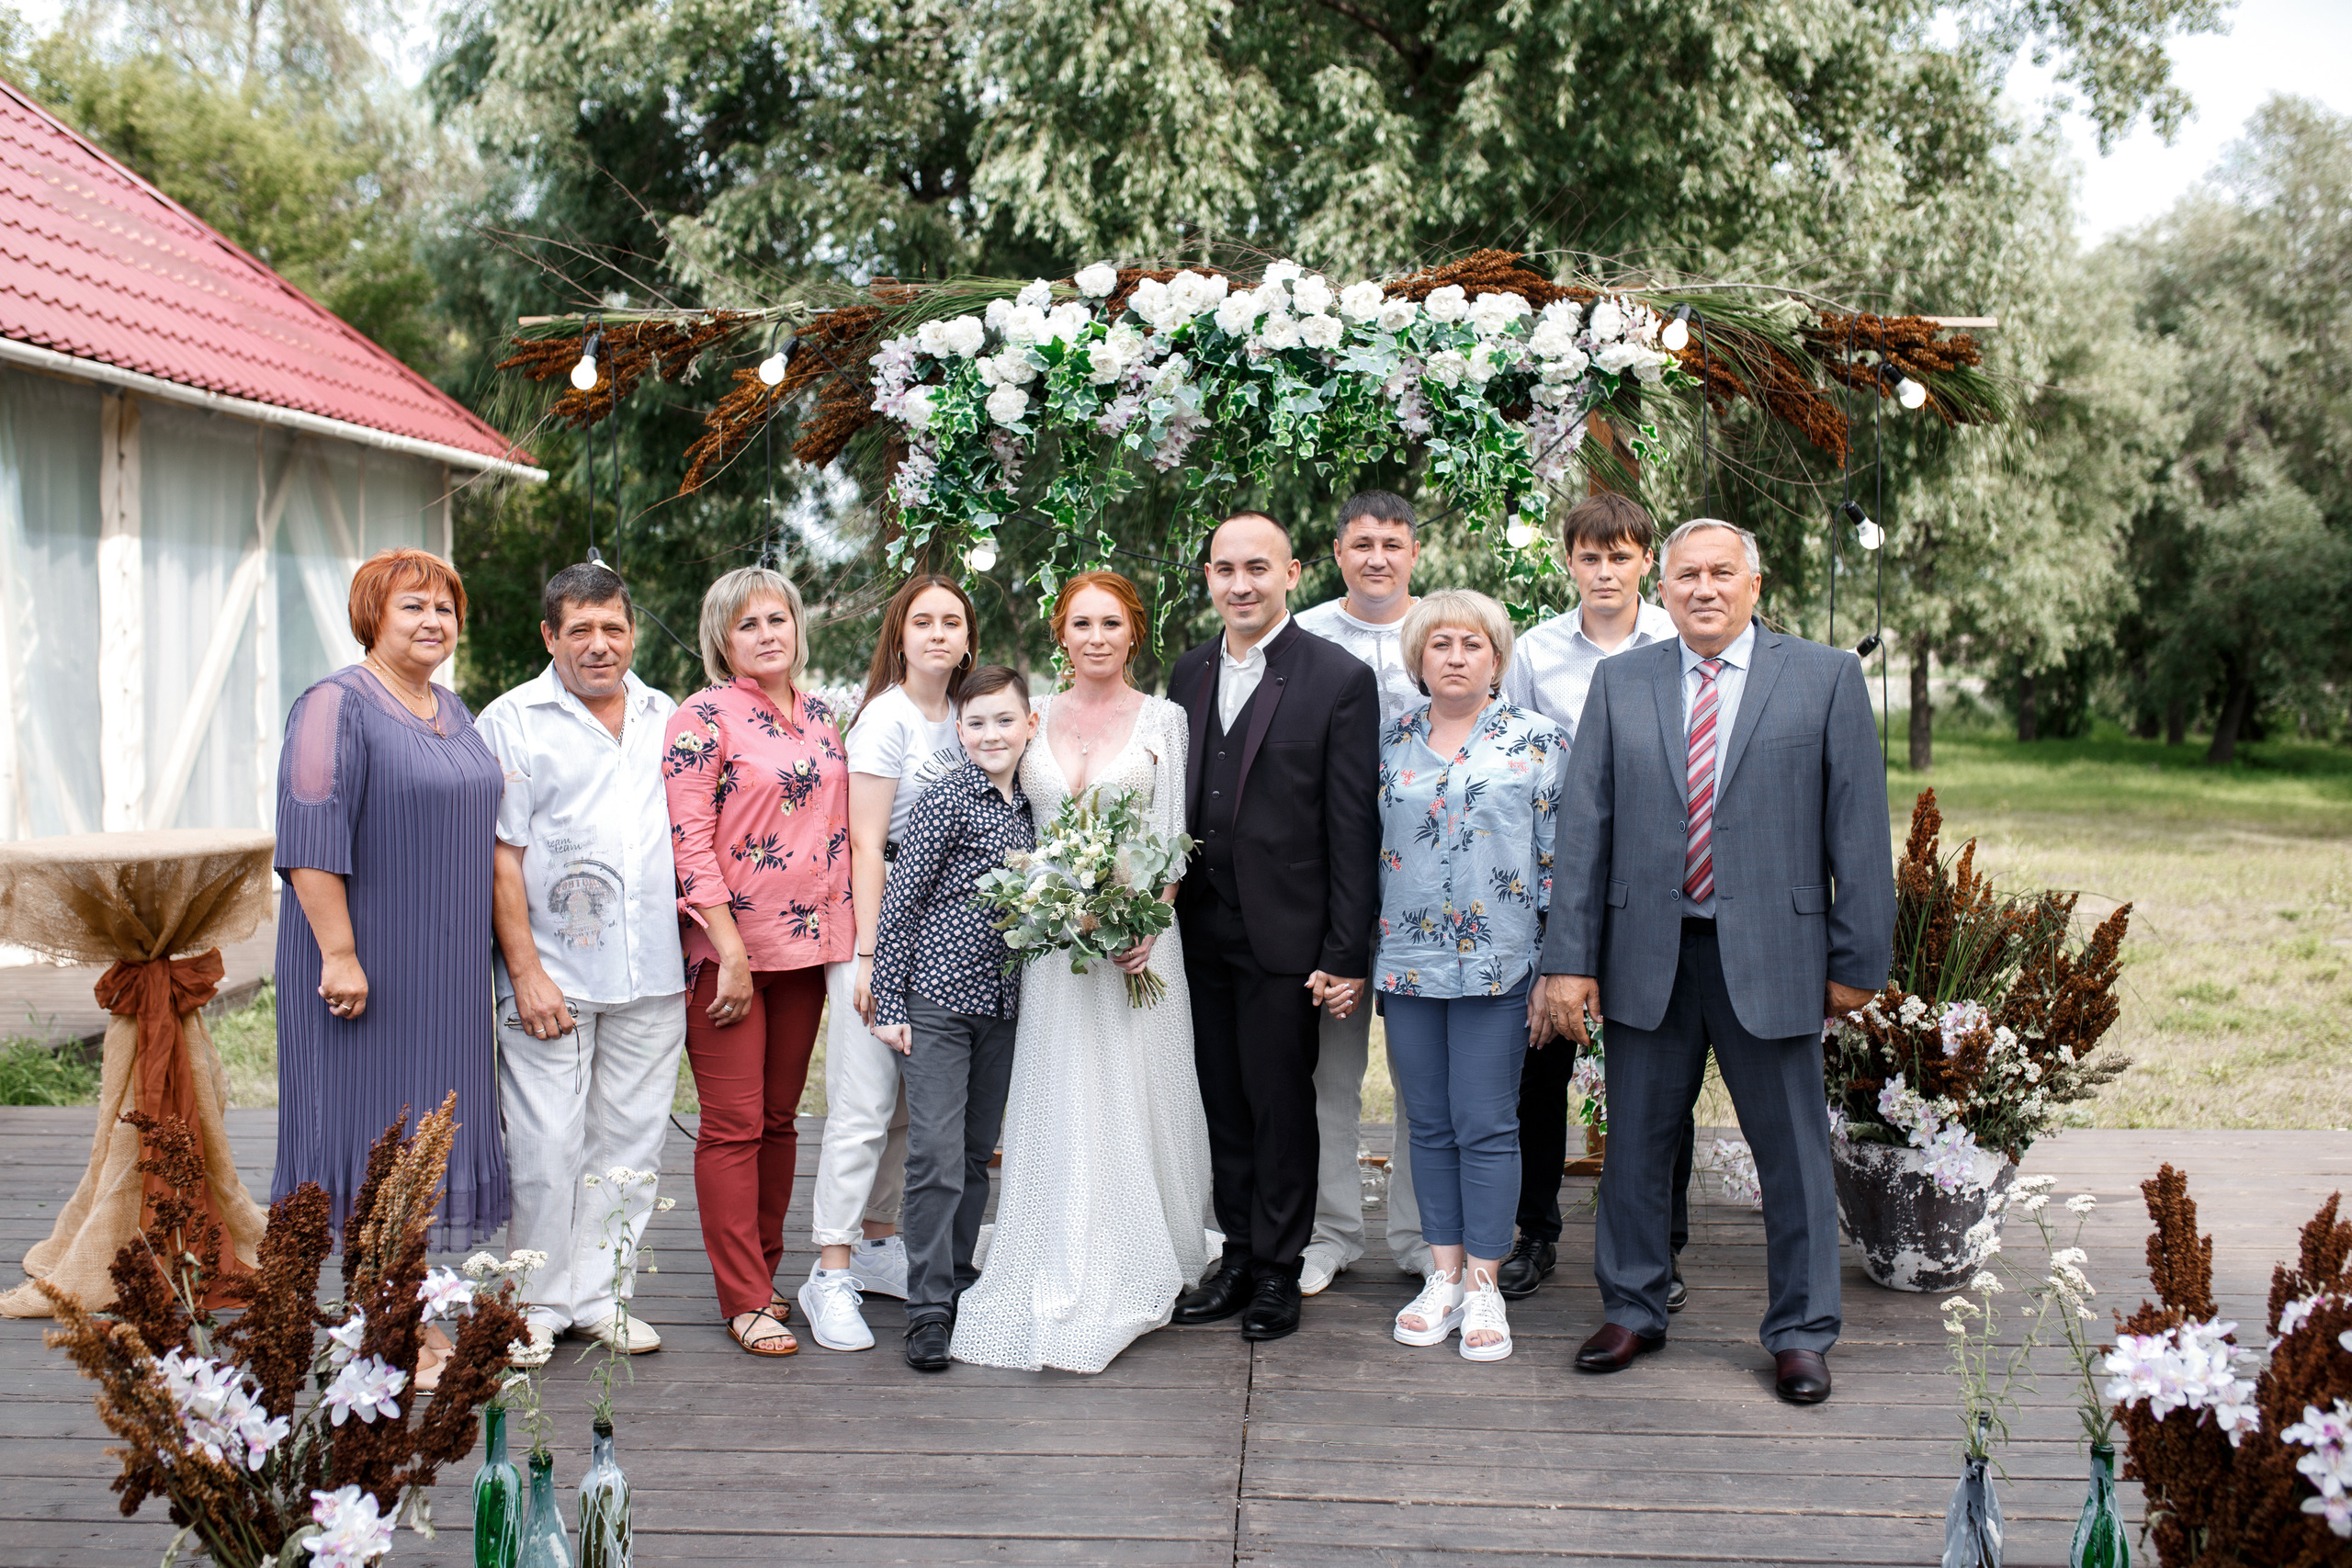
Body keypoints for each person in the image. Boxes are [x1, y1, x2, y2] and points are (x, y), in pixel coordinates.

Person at [1540, 518, 1894, 1404]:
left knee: (1794, 1153)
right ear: (1663, 589)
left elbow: (1859, 827)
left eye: (1721, 573)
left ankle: (1802, 1331)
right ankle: (1633, 1305)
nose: (1703, 588)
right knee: (1635, 1150)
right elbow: (1585, 832)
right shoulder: (1622, 685)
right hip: (1647, 956)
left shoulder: (1823, 677)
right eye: (1686, 574)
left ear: (1754, 582)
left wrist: (1857, 961)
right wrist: (1571, 959)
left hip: (1776, 956)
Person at [950, 571, 1213, 1374]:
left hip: (1136, 941)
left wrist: (1146, 922)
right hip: (1054, 950)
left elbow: (1173, 841)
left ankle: (1145, 1243)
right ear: (1060, 633)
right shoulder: (1033, 718)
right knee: (1062, 1088)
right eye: (1080, 623)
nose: (1096, 637)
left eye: (1111, 623)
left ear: (1134, 632)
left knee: (1131, 1089)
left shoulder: (1165, 719)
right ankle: (1058, 1236)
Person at [1168, 513, 1381, 1343]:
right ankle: (1240, 1251)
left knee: (1281, 1103)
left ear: (1292, 572)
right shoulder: (1187, 672)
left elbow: (1353, 827)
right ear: (1211, 577)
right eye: (1225, 569)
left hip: (1288, 939)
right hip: (1199, 932)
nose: (1240, 584)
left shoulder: (1336, 677)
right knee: (1221, 1099)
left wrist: (1344, 950)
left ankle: (1280, 1271)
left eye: (1257, 567)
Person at [479, 562, 684, 1368]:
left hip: (653, 972)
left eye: (613, 628)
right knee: (544, 1145)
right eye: (580, 630)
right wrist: (524, 970)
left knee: (629, 1145)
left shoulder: (666, 714)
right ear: (549, 636)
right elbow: (502, 858)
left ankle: (603, 1295)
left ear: (632, 630)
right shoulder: (513, 720)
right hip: (553, 974)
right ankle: (533, 1302)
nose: (599, 645)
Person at [273, 547, 505, 1257]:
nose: (433, 620)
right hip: (367, 965)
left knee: (434, 1131)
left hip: (447, 976)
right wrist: (339, 954)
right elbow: (309, 836)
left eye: (445, 608)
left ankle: (414, 1308)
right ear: (372, 616)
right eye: (413, 605)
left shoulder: (452, 706)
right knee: (373, 1130)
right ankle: (386, 1316)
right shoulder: (332, 703)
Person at [1497, 492, 1690, 1308]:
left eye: (1621, 556)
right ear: (1568, 561)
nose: (1605, 571)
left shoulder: (1681, 641)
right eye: (1589, 556)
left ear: (1646, 560)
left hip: (1659, 874)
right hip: (1561, 876)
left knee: (1661, 1071)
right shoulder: (1538, 651)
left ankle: (1662, 1244)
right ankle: (1535, 1229)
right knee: (1541, 1065)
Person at [664, 565, 855, 1358]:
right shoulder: (700, 717)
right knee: (734, 1124)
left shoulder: (823, 715)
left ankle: (765, 1276)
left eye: (778, 618)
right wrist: (729, 950)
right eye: (748, 624)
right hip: (730, 953)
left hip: (808, 951)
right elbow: (690, 842)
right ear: (722, 640)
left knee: (780, 1122)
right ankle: (741, 1296)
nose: (767, 633)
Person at [1376, 591, 1567, 1362]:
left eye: (1473, 644)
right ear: (1418, 658)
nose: (1456, 656)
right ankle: (1444, 1274)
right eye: (1441, 644)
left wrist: (1557, 967)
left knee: (1487, 1122)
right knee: (1429, 1124)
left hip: (1501, 963)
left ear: (1497, 656)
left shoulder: (1539, 740)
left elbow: (1558, 858)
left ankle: (1487, 1282)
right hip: (1408, 962)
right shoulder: (1389, 742)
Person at [800, 574, 977, 1352]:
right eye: (923, 621)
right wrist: (873, 954)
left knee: (911, 1108)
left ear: (969, 638)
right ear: (900, 636)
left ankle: (878, 1243)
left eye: (952, 621)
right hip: (881, 924)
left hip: (948, 929)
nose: (938, 633)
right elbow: (868, 842)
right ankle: (829, 1268)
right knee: (865, 1103)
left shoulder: (962, 717)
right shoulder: (887, 718)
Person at [869, 666, 1038, 1371]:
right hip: (939, 999)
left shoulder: (1037, 807)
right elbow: (901, 898)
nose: (991, 734)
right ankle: (927, 1306)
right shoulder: (946, 801)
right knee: (934, 1153)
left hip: (1005, 1004)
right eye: (976, 722)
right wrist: (889, 999)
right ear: (959, 730)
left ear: (1031, 724)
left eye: (1005, 720)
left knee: (974, 1152)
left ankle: (961, 1274)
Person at [1291, 490, 1430, 1289]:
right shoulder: (1303, 633)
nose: (1378, 556)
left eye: (1393, 543)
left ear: (1416, 553)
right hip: (1329, 889)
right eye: (1362, 543)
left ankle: (1417, 1236)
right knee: (1327, 1072)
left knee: (1421, 1077)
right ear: (1338, 552)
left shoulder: (1443, 632)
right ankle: (1330, 1230)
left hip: (1424, 891)